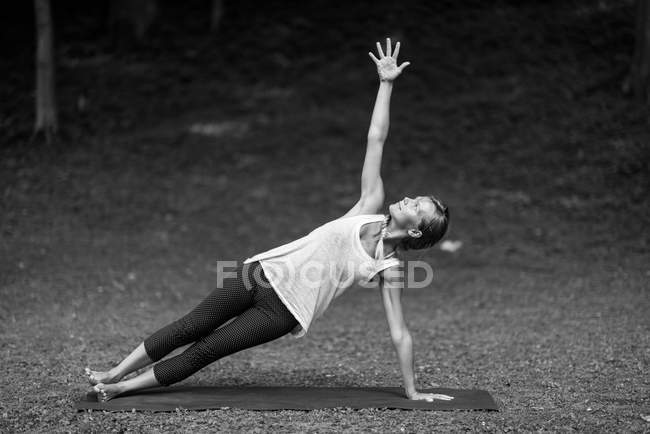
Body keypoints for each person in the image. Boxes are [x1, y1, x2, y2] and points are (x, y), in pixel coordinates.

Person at [86, 38, 453, 403]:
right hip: (261, 271)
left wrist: (412, 390)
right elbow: (377, 138)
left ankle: (122, 388)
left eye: (416, 205)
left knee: (206, 350)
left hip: (283, 310)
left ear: (416, 228)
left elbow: (400, 332)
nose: (408, 198)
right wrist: (386, 84)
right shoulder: (368, 205)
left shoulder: (386, 267)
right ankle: (115, 371)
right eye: (415, 197)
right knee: (190, 326)